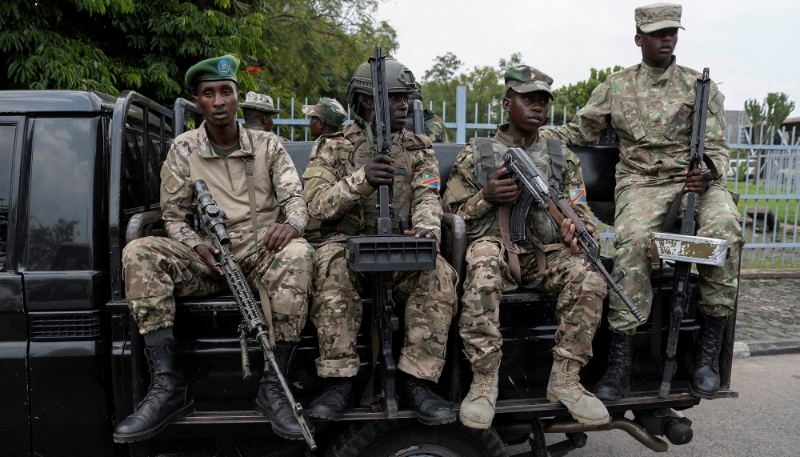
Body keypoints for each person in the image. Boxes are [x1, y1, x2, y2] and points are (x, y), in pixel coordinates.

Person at [540, 3, 744, 402]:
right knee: (632, 243)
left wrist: (709, 173)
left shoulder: (701, 87)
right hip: (642, 182)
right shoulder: (616, 86)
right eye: (658, 33)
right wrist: (530, 134)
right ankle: (621, 362)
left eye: (673, 32)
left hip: (695, 181)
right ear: (639, 39)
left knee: (725, 231)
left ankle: (707, 353)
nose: (667, 39)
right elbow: (581, 129)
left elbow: (719, 147)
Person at [114, 54, 316, 443]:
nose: (219, 101)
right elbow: (173, 217)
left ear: (238, 98)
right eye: (209, 94)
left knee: (300, 254)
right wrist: (195, 243)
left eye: (227, 91)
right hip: (211, 257)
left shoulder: (268, 144)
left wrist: (290, 226)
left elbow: (296, 199)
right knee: (139, 252)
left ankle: (274, 388)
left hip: (262, 251)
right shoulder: (183, 150)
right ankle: (169, 387)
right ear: (198, 101)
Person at [443, 65, 610, 429]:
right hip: (495, 249)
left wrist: (578, 228)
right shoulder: (478, 153)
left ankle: (565, 378)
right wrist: (484, 198)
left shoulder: (559, 155)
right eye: (527, 99)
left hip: (546, 253)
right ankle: (484, 381)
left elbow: (580, 206)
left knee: (591, 274)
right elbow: (446, 214)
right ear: (506, 103)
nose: (537, 107)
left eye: (543, 101)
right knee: (484, 265)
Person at [303, 58, 459, 425]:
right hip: (348, 245)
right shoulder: (334, 146)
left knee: (437, 272)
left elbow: (428, 196)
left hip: (400, 245)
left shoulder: (418, 146)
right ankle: (340, 381)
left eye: (407, 98)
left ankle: (416, 381)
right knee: (331, 267)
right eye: (396, 98)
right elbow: (316, 204)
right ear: (368, 101)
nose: (406, 105)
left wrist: (427, 230)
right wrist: (362, 180)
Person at [301, 97, 348, 241]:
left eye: (312, 118)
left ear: (321, 123)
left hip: (322, 230)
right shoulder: (344, 144)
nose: (310, 122)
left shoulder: (327, 148)